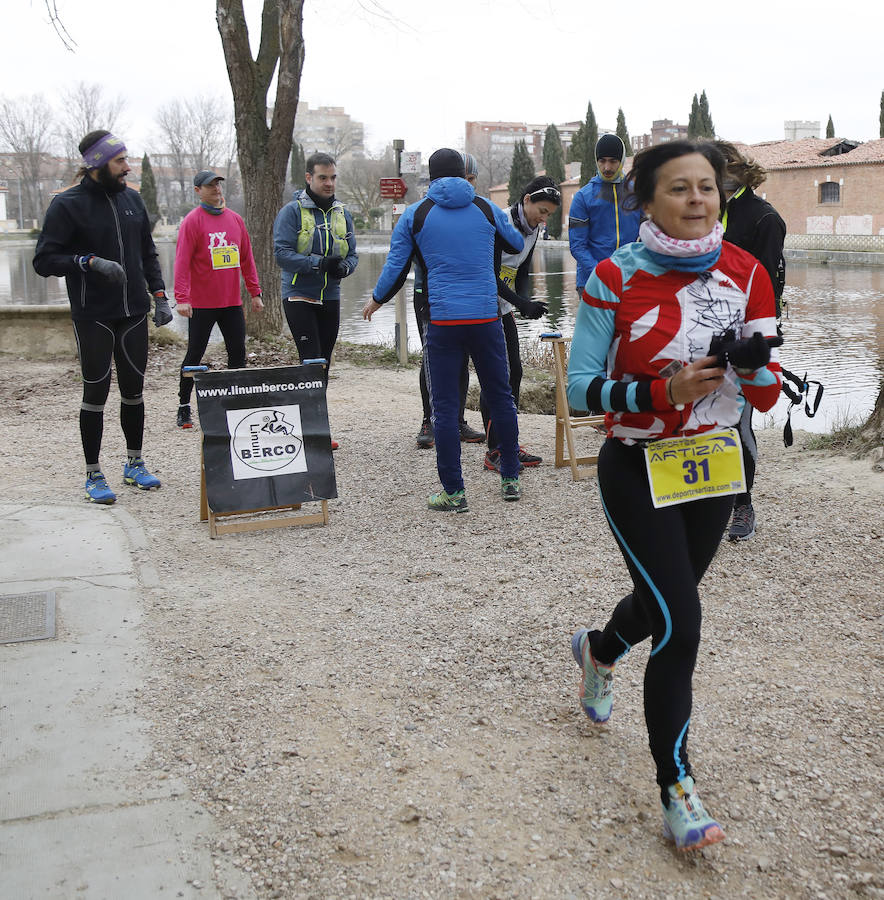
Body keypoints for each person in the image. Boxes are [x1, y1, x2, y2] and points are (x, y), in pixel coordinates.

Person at [566, 140, 782, 851]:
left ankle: (599, 651)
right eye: (679, 188)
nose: (697, 199)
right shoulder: (614, 275)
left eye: (707, 187)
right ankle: (677, 787)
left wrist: (753, 368)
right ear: (647, 200)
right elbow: (579, 389)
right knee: (681, 623)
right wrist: (664, 391)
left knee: (665, 599)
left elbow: (765, 395)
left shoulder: (746, 273)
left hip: (713, 465)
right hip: (636, 465)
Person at [363, 148, 525, 510]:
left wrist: (376, 299)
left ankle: (454, 492)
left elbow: (396, 267)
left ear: (431, 178)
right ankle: (510, 479)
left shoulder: (416, 214)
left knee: (446, 406)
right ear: (463, 175)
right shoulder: (486, 208)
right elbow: (515, 242)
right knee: (501, 397)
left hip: (443, 320)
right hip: (486, 318)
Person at [33, 129, 171, 504]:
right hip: (93, 313)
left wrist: (160, 295)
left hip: (133, 311)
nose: (127, 167)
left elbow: (147, 252)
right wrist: (88, 262)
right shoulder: (67, 205)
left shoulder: (132, 200)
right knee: (96, 392)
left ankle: (134, 464)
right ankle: (93, 473)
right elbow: (44, 261)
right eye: (120, 161)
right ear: (97, 164)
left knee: (134, 391)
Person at [715, 140, 787, 541]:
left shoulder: (765, 218)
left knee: (738, 421)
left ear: (736, 172)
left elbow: (769, 291)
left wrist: (757, 346)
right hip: (697, 331)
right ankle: (699, 499)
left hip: (744, 336)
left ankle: (743, 505)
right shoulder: (703, 210)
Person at [273, 152, 358, 448]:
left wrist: (344, 268)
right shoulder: (292, 212)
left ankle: (315, 426)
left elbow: (353, 254)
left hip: (330, 296)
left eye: (333, 177)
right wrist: (318, 263)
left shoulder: (342, 213)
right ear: (309, 178)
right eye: (323, 177)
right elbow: (281, 254)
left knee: (323, 364)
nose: (329, 183)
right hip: (299, 295)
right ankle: (311, 431)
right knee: (310, 362)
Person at [480, 175, 558, 473]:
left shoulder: (533, 229)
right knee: (496, 377)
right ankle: (495, 450)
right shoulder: (501, 223)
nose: (543, 219)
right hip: (483, 306)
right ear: (526, 200)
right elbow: (490, 273)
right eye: (541, 210)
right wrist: (520, 302)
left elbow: (522, 269)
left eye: (549, 214)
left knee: (515, 372)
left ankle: (508, 443)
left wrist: (524, 301)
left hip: (504, 307)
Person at [174, 170, 263, 429]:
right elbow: (181, 262)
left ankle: (236, 403)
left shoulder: (235, 220)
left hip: (231, 302)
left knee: (238, 353)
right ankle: (184, 406)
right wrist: (182, 298)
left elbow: (246, 258)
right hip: (202, 304)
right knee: (195, 354)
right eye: (209, 185)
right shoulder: (192, 221)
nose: (216, 189)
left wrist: (255, 292)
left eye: (218, 184)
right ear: (198, 191)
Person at [413, 151, 485, 449]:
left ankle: (458, 420)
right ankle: (429, 419)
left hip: (467, 294)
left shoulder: (476, 209)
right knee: (432, 358)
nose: (466, 184)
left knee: (462, 359)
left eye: (471, 179)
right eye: (462, 178)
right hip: (429, 293)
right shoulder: (427, 209)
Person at [568, 133, 642, 295]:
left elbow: (647, 236)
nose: (607, 167)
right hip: (591, 281)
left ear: (622, 160)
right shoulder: (582, 197)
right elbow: (578, 246)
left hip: (631, 280)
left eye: (613, 161)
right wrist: (601, 273)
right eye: (602, 161)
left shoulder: (637, 194)